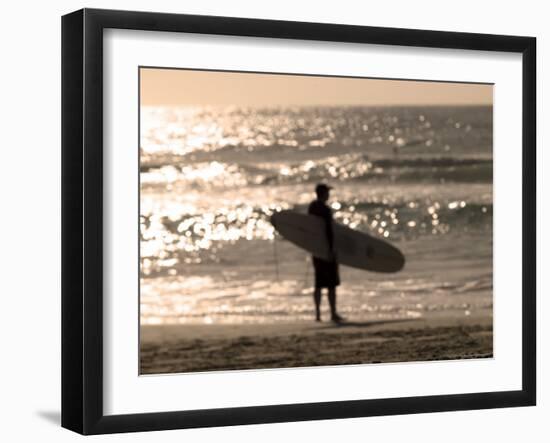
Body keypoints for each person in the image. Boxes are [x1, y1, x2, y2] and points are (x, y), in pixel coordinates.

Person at [308, 183, 344, 323]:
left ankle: (317, 315)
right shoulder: (326, 210)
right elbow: (329, 231)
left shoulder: (312, 207)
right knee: (331, 285)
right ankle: (333, 314)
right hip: (326, 252)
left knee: (318, 284)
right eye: (327, 192)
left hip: (316, 251)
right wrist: (331, 250)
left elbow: (309, 228)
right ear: (323, 193)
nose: (329, 195)